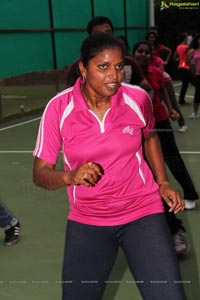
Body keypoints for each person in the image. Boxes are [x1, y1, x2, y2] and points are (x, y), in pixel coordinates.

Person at [33, 32, 186, 300]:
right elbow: (40, 173)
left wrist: (162, 183)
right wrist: (70, 176)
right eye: (103, 67)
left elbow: (149, 136)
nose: (114, 76)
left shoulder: (137, 99)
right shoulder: (59, 108)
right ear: (83, 67)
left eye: (118, 67)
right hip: (88, 219)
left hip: (142, 213)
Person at [133, 40, 199, 212]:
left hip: (159, 121)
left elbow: (163, 92)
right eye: (140, 51)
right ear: (133, 54)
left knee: (172, 158)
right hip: (136, 124)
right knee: (142, 162)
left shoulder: (156, 72)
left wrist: (171, 110)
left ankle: (190, 194)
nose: (143, 54)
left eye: (147, 52)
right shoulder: (127, 73)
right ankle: (150, 198)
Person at [66, 16, 154, 100]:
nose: (105, 38)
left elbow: (149, 90)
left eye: (108, 33)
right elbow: (69, 97)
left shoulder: (129, 63)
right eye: (99, 34)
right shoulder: (78, 67)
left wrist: (141, 111)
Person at [146, 38, 188, 132]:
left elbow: (160, 75)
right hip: (154, 84)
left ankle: (182, 124)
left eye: (150, 50)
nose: (146, 53)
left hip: (165, 82)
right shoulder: (144, 61)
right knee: (153, 104)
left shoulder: (157, 60)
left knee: (172, 103)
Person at [173, 32, 195, 105]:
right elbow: (191, 55)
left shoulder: (178, 47)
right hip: (185, 67)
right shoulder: (186, 47)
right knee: (195, 83)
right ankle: (181, 101)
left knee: (185, 84)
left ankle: (181, 101)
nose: (188, 38)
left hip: (181, 66)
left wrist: (180, 59)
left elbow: (174, 57)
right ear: (185, 38)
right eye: (187, 37)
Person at [187, 33, 200, 119]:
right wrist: (189, 55)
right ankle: (195, 113)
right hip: (198, 74)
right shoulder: (193, 51)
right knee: (197, 94)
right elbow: (187, 62)